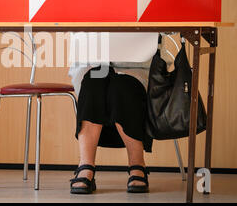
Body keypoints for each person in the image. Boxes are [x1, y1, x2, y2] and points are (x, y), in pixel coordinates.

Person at [68, 33, 169, 194]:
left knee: (123, 86)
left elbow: (170, 29)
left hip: (136, 65)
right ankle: (85, 165)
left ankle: (137, 164)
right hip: (91, 62)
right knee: (92, 84)